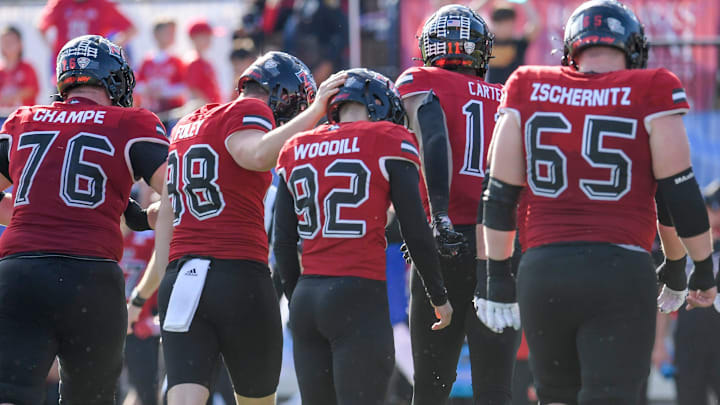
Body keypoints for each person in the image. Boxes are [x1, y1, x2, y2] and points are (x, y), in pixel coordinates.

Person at [478, 1, 718, 404]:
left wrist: (497, 277)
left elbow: (499, 193)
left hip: (544, 270)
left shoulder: (526, 84)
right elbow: (677, 192)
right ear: (634, 48)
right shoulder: (654, 88)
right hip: (620, 270)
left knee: (555, 396)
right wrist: (693, 269)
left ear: (571, 49)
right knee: (612, 396)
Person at [127, 51, 325, 405]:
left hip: (180, 279)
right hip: (238, 277)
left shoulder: (189, 124)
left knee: (183, 398)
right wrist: (319, 109)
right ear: (284, 96)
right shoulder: (251, 110)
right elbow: (255, 155)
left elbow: (167, 229)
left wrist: (142, 297)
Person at [0, 35, 169, 404]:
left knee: (10, 393)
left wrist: (15, 208)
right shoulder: (131, 122)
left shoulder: (24, 119)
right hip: (91, 277)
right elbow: (177, 188)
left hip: (20, 273)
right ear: (111, 79)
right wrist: (154, 216)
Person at [273, 68, 452, 405]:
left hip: (307, 298)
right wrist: (438, 295)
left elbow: (282, 242)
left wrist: (298, 297)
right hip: (357, 295)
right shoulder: (388, 138)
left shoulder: (296, 145)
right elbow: (415, 231)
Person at [395, 5, 518, 404]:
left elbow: (433, 137)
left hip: (441, 244)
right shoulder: (506, 95)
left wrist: (438, 212)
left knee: (430, 388)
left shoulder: (419, 80)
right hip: (498, 249)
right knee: (496, 389)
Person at [37, 0, 136, 64]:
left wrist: (109, 48)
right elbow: (41, 26)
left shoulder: (102, 5)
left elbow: (131, 29)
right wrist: (55, 50)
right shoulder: (60, 4)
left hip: (94, 66)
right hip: (66, 65)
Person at [136, 19, 186, 125]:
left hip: (172, 114)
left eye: (173, 33)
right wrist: (147, 89)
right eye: (167, 32)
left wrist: (163, 92)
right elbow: (137, 85)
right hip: (151, 112)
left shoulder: (176, 60)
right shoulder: (147, 61)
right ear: (156, 34)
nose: (171, 36)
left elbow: (183, 87)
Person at [484, 0, 540, 84]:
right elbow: (472, 17)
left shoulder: (519, 44)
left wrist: (525, 3)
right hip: (492, 93)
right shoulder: (488, 42)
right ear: (494, 23)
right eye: (501, 23)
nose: (505, 27)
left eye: (508, 23)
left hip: (515, 92)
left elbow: (536, 25)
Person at [0, 26, 39, 112]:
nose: (8, 45)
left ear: (20, 44)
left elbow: (33, 90)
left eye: (11, 42)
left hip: (24, 118)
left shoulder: (28, 68)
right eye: (5, 42)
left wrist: (12, 97)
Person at [185, 19, 222, 105]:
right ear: (194, 38)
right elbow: (194, 90)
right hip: (207, 112)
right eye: (205, 36)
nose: (209, 39)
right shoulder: (194, 61)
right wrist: (210, 109)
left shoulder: (205, 61)